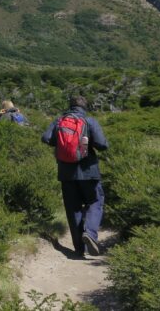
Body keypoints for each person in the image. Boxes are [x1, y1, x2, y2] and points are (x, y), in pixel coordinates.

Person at [41, 96, 108, 257]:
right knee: (95, 201)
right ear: (85, 107)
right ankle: (90, 234)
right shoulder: (89, 121)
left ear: (70, 106)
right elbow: (103, 144)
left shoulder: (59, 121)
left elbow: (46, 138)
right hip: (89, 171)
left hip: (66, 173)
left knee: (73, 209)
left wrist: (63, 144)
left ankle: (79, 249)